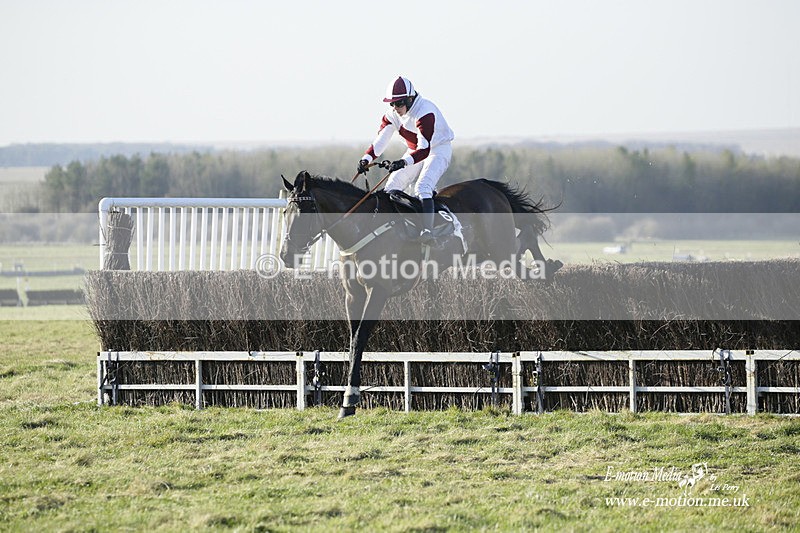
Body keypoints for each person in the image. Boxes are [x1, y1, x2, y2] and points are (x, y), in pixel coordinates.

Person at [357, 76, 454, 243]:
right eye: (392, 104)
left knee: (423, 186)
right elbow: (380, 141)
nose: (395, 108)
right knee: (392, 186)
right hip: (415, 151)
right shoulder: (392, 115)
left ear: (410, 99)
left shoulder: (425, 111)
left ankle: (427, 232)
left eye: (399, 103)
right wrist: (366, 159)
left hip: (438, 150)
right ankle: (394, 229)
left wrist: (403, 162)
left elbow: (424, 150)